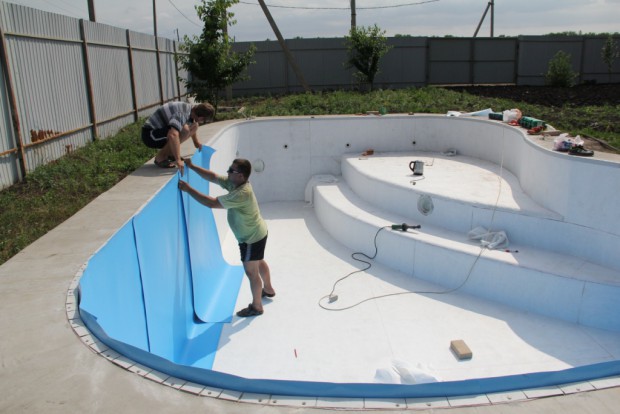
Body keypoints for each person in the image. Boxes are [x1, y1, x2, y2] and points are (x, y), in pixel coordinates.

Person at [178, 158, 275, 317]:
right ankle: (269, 289)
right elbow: (213, 177)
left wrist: (188, 190)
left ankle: (257, 306)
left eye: (232, 170)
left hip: (250, 238)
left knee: (251, 273)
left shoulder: (241, 194)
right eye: (229, 168)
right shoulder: (234, 183)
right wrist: (192, 166)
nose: (228, 172)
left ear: (241, 176)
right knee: (258, 261)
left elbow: (212, 203)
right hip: (258, 232)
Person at [141, 102, 214, 175]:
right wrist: (178, 160)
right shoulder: (182, 114)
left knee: (194, 125)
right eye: (204, 120)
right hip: (150, 135)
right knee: (184, 130)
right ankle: (160, 157)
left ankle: (170, 154)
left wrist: (196, 143)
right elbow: (173, 134)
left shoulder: (191, 109)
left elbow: (191, 124)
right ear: (201, 117)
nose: (202, 122)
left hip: (159, 130)